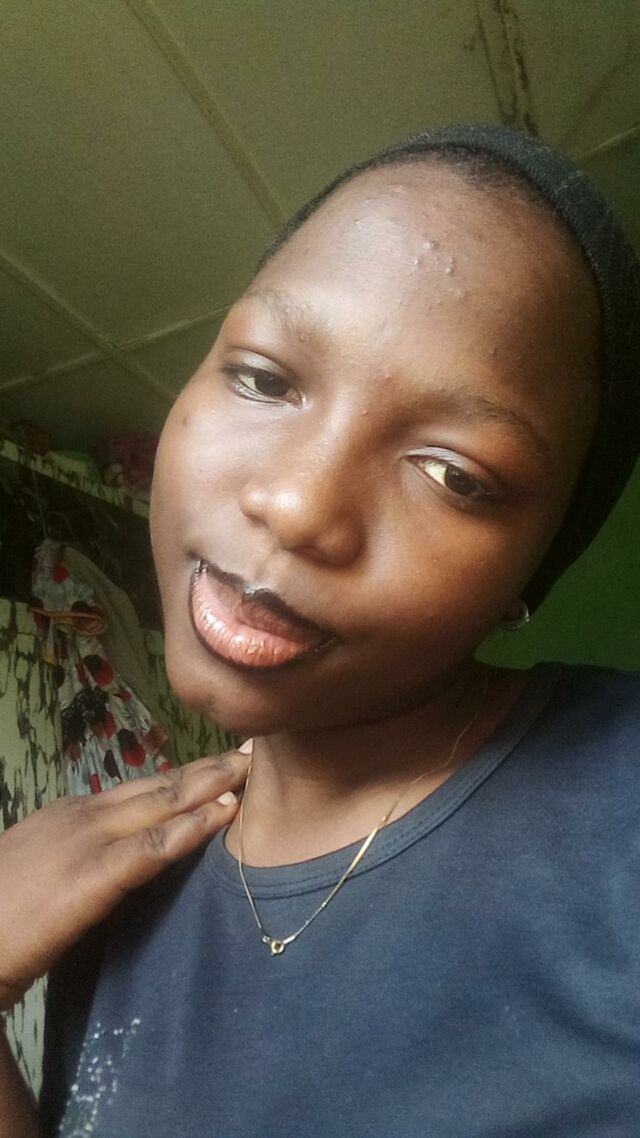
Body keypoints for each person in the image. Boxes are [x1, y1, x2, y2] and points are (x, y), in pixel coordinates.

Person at [1, 123, 639, 1137]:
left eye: (454, 474)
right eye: (263, 378)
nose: (297, 505)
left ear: (534, 568)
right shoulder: (115, 892)